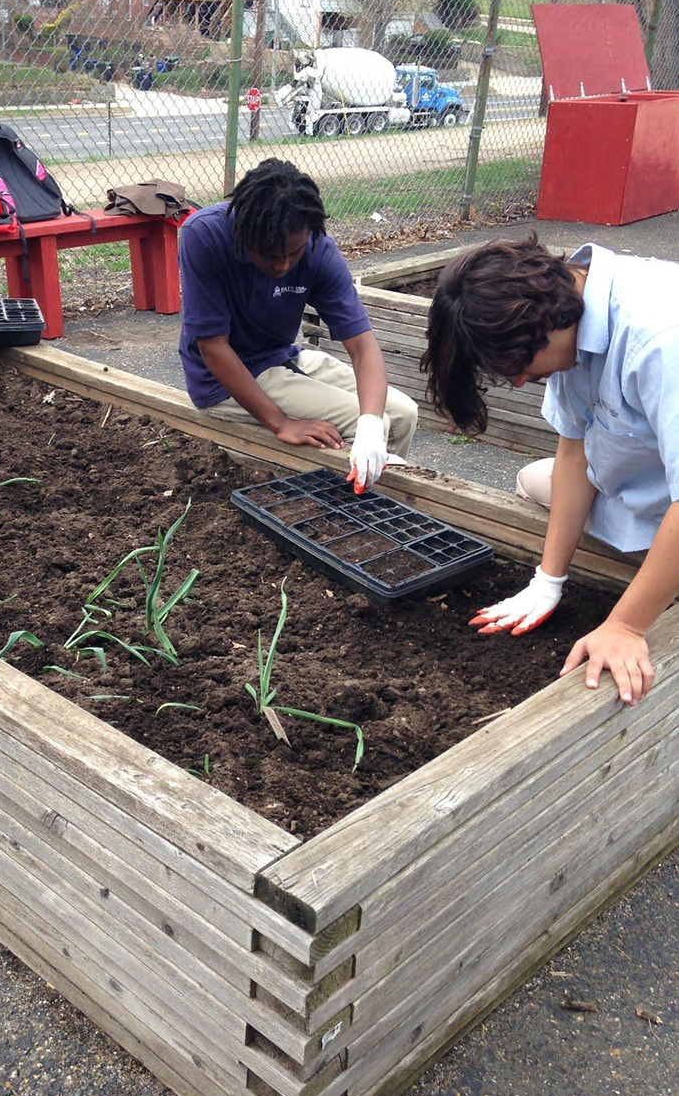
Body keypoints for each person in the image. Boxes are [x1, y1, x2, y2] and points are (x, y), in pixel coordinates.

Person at [421, 234, 679, 706]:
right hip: (648, 489)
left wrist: (625, 625)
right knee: (532, 482)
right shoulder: (572, 313)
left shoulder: (660, 338)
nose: (518, 380)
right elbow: (574, 454)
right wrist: (548, 580)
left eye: (516, 365)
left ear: (542, 322)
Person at [178, 159, 417, 492]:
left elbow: (363, 346)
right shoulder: (204, 236)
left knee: (402, 414)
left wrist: (371, 425)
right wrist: (281, 423)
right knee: (355, 423)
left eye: (294, 253)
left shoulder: (318, 250)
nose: (283, 264)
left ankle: (375, 504)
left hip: (283, 356)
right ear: (244, 235)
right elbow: (212, 348)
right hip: (222, 378)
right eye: (269, 255)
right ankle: (339, 516)